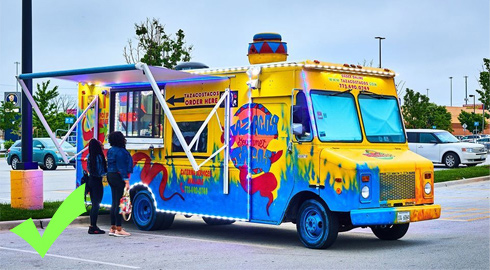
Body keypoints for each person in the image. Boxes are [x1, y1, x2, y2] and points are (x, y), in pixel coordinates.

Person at [107, 131, 133, 237]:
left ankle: (113, 227)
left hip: (110, 175)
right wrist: (126, 181)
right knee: (119, 203)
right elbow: (121, 167)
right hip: (118, 176)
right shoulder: (121, 152)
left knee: (114, 202)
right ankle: (118, 228)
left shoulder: (110, 150)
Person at [87, 139, 107, 234]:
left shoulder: (90, 156)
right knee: (96, 205)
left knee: (94, 204)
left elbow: (89, 169)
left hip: (90, 181)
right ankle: (93, 226)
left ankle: (92, 225)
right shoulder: (99, 157)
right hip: (97, 182)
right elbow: (101, 172)